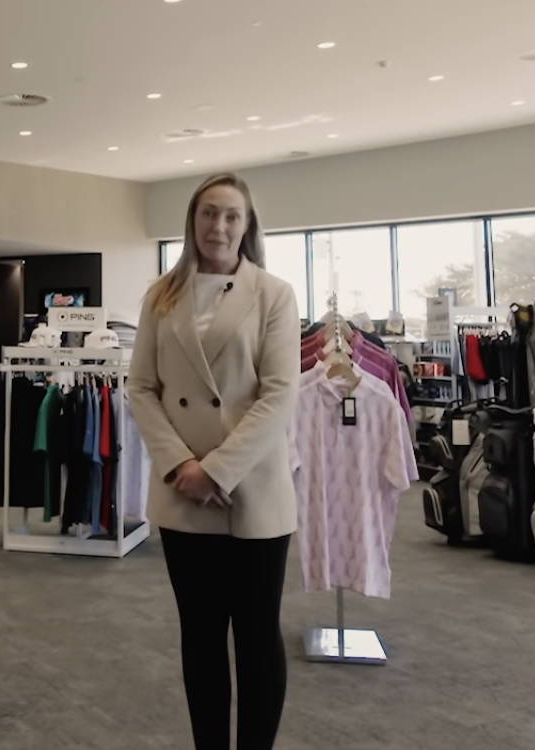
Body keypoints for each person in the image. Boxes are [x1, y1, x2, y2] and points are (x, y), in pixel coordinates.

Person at [127, 172, 299, 750]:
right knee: (200, 638)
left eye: (230, 215)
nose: (218, 226)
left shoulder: (273, 293)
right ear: (191, 222)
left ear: (247, 226)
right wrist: (182, 467)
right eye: (208, 213)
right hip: (184, 493)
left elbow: (278, 394)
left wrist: (218, 469)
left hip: (251, 489)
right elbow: (142, 389)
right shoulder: (161, 295)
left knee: (256, 637)